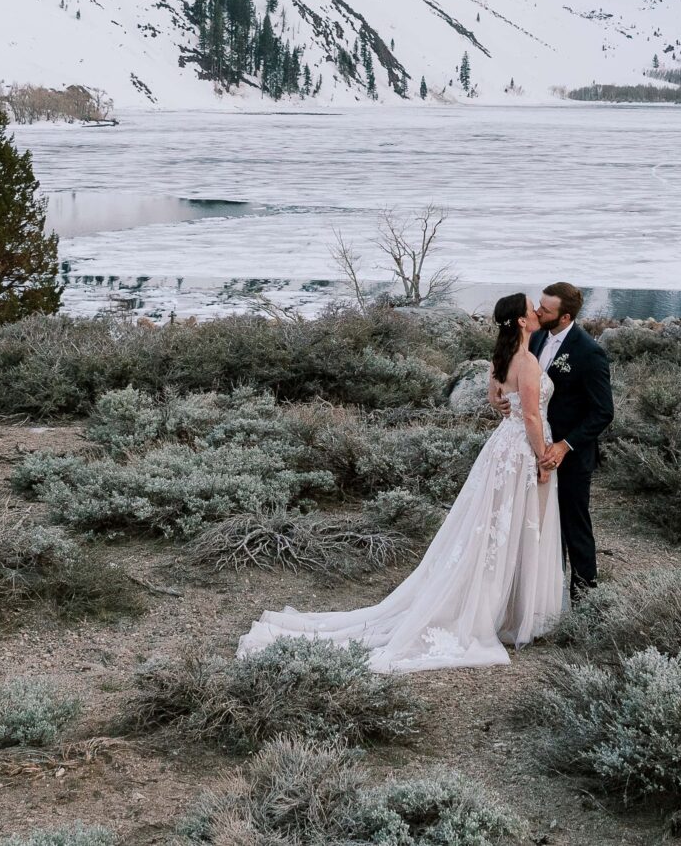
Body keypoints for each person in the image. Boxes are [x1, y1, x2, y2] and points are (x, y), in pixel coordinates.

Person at [237, 291, 566, 671]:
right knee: (514, 527)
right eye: (531, 309)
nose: (537, 312)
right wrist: (543, 457)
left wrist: (503, 409)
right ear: (523, 321)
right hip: (522, 450)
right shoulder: (524, 361)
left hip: (501, 449)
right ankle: (509, 612)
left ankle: (503, 606)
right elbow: (529, 417)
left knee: (494, 529)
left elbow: (496, 400)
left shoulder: (500, 358)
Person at [525, 280, 613, 592]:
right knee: (539, 523)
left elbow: (603, 412)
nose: (537, 311)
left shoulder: (589, 353)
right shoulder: (535, 338)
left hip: (571, 455)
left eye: (545, 309)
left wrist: (565, 445)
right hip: (535, 448)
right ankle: (543, 594)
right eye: (539, 304)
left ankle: (585, 596)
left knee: (574, 524)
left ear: (564, 317)